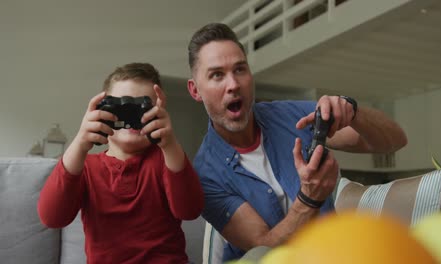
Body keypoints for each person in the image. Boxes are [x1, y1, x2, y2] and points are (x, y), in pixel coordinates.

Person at [186, 23, 408, 261]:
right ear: (195, 90)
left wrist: (352, 112)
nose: (233, 85)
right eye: (217, 75)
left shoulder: (292, 116)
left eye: (240, 69)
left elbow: (394, 141)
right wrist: (310, 198)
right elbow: (262, 248)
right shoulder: (205, 177)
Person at [37, 63, 204, 264]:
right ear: (102, 110)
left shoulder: (167, 159)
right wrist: (81, 142)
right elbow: (52, 218)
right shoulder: (87, 167)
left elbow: (190, 209)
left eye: (143, 108)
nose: (132, 118)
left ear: (158, 113)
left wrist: (169, 144)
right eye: (122, 107)